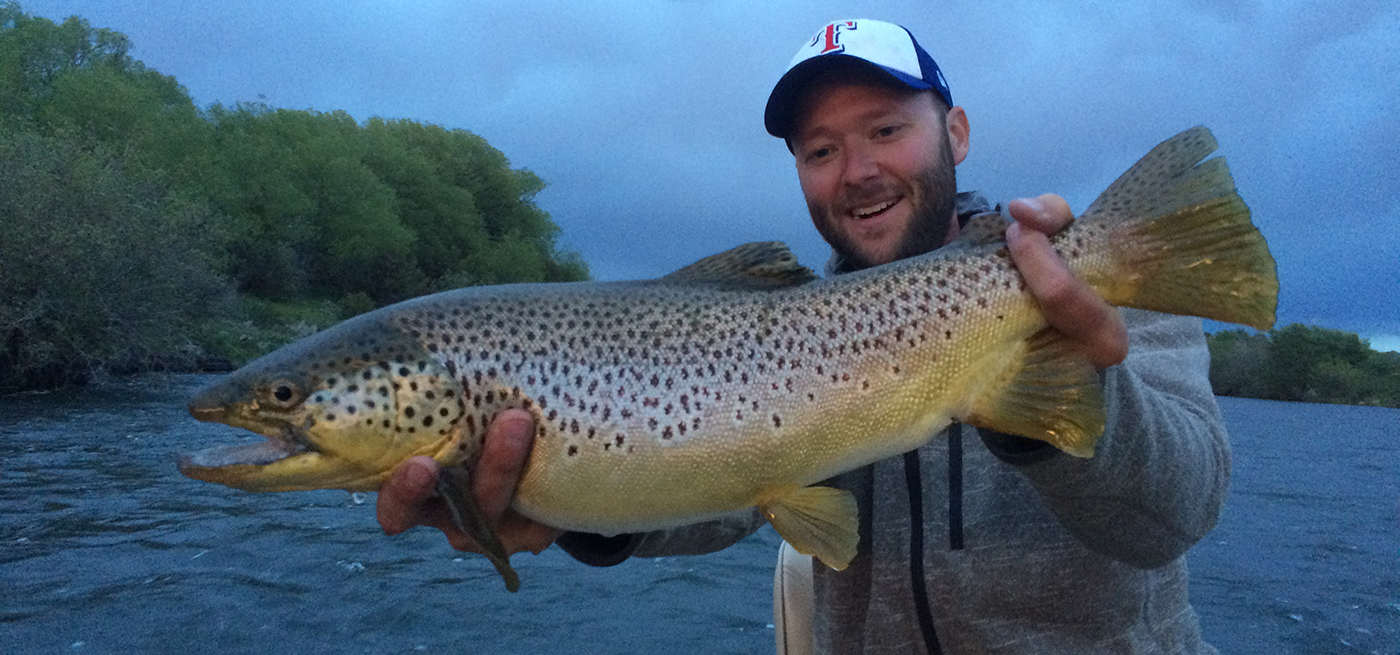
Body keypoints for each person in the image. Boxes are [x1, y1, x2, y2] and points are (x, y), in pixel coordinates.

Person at [378, 18, 1228, 655]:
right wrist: (572, 512)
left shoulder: (1093, 285)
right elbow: (718, 490)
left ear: (956, 134)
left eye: (886, 130)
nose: (856, 170)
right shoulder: (787, 327)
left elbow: (1178, 513)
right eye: (819, 148)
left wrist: (1066, 396)